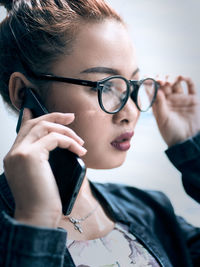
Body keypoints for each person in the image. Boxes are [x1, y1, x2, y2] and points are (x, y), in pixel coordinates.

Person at [0, 0, 199, 266]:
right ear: (24, 93)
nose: (129, 112)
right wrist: (36, 222)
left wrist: (191, 148)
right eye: (104, 86)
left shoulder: (150, 210)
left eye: (132, 84)